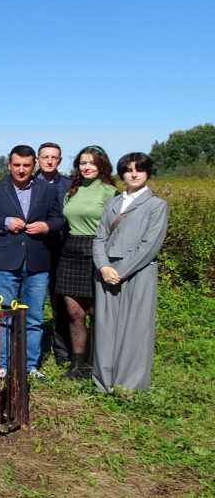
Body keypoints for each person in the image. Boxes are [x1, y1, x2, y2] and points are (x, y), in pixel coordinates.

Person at [0, 145, 64, 380]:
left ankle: (30, 365)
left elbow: (58, 219)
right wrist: (4, 222)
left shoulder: (46, 190)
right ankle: (3, 363)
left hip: (37, 262)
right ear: (9, 165)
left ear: (34, 164)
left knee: (34, 317)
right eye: (17, 165)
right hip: (4, 262)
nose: (21, 170)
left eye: (26, 165)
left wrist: (47, 226)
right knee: (4, 315)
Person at [93, 152, 169, 393]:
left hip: (137, 272)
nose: (134, 174)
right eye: (128, 169)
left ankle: (129, 388)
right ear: (122, 173)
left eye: (140, 169)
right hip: (106, 271)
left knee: (134, 329)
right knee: (105, 327)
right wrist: (104, 267)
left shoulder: (156, 205)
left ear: (148, 173)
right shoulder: (113, 203)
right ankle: (104, 382)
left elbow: (150, 245)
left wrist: (120, 271)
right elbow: (99, 237)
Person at [55, 146, 116, 378]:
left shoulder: (110, 192)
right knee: (74, 313)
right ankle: (77, 364)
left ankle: (96, 363)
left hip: (97, 251)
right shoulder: (72, 191)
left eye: (92, 163)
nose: (87, 167)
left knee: (95, 312)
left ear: (102, 165)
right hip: (71, 250)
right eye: (83, 163)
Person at [35, 142, 73, 366]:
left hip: (63, 251)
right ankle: (32, 353)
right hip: (37, 250)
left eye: (54, 157)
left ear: (59, 160)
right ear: (38, 159)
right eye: (45, 157)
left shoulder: (69, 186)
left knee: (61, 303)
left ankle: (63, 352)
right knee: (34, 304)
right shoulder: (28, 185)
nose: (49, 161)